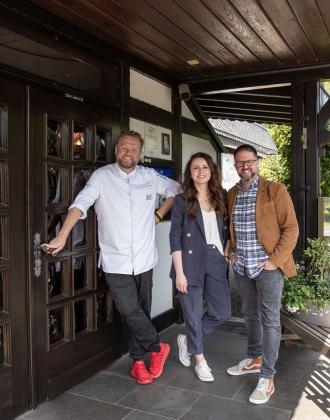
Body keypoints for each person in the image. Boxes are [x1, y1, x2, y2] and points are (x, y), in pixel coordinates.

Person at [41, 130, 180, 385]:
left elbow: (176, 189)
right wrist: (62, 235)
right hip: (116, 261)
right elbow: (80, 205)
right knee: (129, 310)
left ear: (140, 154)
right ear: (117, 151)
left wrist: (159, 214)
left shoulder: (149, 177)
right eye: (124, 148)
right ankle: (158, 347)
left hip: (145, 258)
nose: (129, 153)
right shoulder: (102, 177)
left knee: (141, 312)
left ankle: (139, 363)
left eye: (134, 149)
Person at [226, 144, 299, 404]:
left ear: (257, 163)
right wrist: (229, 250)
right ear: (235, 166)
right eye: (240, 163)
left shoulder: (275, 190)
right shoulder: (232, 192)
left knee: (269, 320)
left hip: (266, 267)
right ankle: (255, 358)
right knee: (250, 315)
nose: (245, 166)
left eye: (249, 162)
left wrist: (274, 261)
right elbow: (231, 226)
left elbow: (291, 229)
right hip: (242, 267)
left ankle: (267, 377)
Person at [170, 152, 231, 382]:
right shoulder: (182, 200)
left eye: (204, 167)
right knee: (193, 315)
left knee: (222, 311)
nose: (201, 171)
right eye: (195, 168)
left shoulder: (222, 196)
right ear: (190, 173)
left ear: (211, 170)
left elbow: (228, 228)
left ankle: (187, 340)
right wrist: (179, 272)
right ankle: (200, 360)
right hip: (188, 261)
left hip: (215, 259)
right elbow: (174, 236)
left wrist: (226, 250)